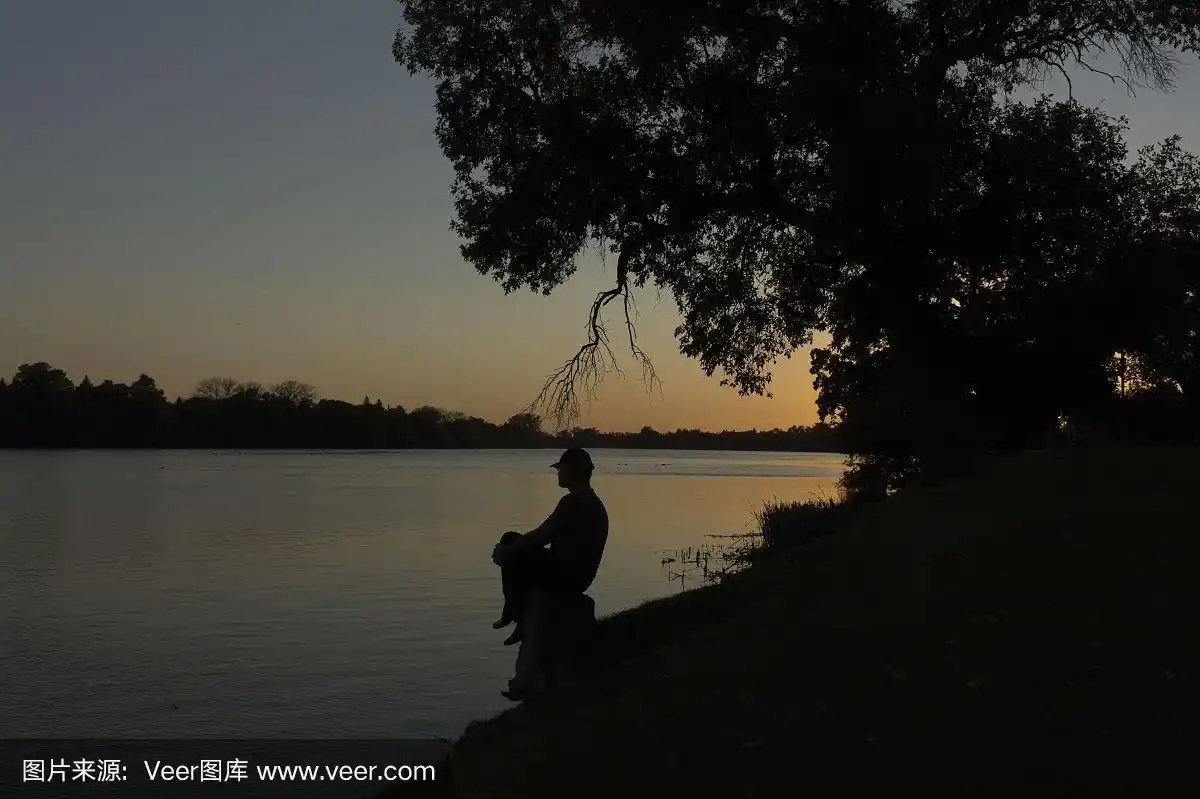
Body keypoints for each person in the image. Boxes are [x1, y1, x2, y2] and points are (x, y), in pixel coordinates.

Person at [490, 447, 608, 699]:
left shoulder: (575, 502)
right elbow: (543, 536)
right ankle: (517, 615)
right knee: (513, 542)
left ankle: (513, 612)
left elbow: (543, 534)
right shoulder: (591, 502)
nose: (557, 473)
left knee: (511, 542)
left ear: (574, 471)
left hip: (566, 574)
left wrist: (507, 552)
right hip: (577, 574)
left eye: (561, 468)